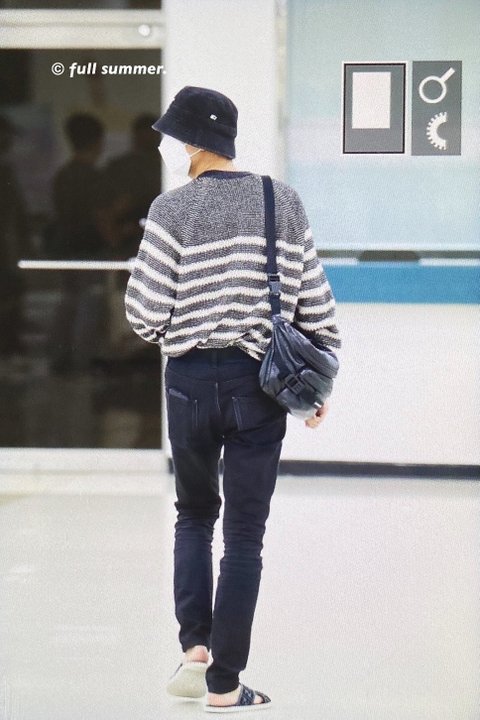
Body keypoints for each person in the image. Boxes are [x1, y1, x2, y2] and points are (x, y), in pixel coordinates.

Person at [125, 86, 341, 712]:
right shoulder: (281, 201)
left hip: (189, 381)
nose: (165, 146)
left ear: (193, 143)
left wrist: (187, 324)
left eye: (170, 136)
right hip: (259, 385)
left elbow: (143, 313)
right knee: (245, 536)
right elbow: (314, 302)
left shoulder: (170, 210)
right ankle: (224, 683)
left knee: (194, 514)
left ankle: (195, 647)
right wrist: (318, 387)